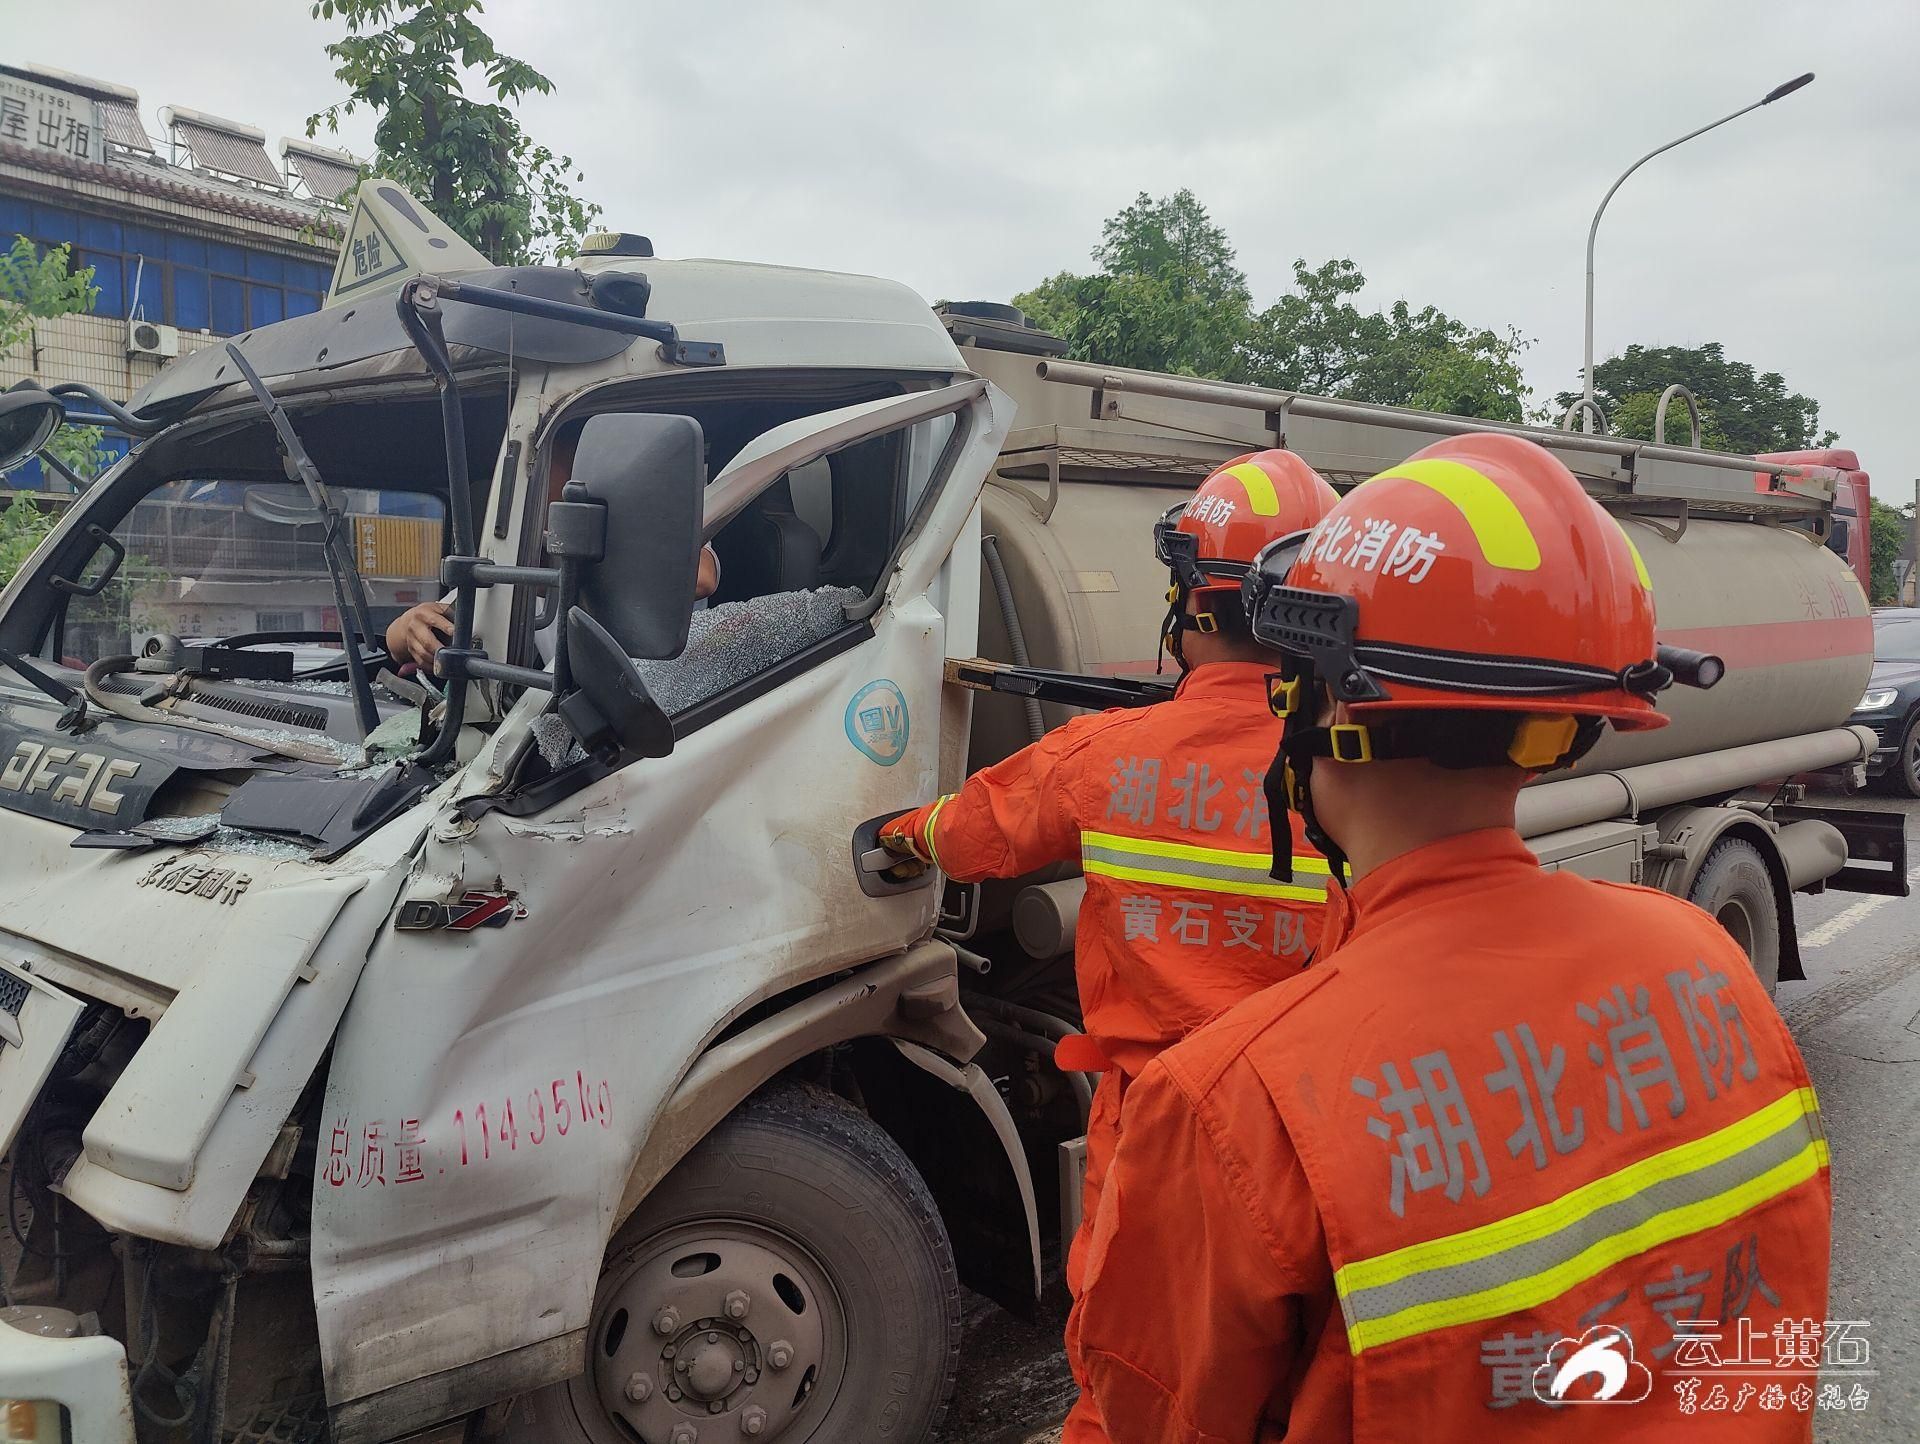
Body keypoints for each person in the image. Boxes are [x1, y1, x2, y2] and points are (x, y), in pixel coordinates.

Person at [1067, 433, 1832, 1442]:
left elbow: (1143, 1417)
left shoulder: (1232, 1106)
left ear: (1321, 700)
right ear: (1570, 723)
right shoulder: (1707, 961)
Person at [877, 450, 1340, 1437]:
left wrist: (897, 835)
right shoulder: (1354, 770)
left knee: (1138, 1373)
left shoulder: (1108, 754)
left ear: (1196, 606)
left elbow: (975, 830)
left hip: (1163, 1133)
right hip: (1317, 1131)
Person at [386, 422, 721, 670]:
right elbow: (401, 640)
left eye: (538, 467)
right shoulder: (523, 557)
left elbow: (701, 578)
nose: (524, 484)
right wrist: (410, 627)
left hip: (682, 714)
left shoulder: (663, 526)